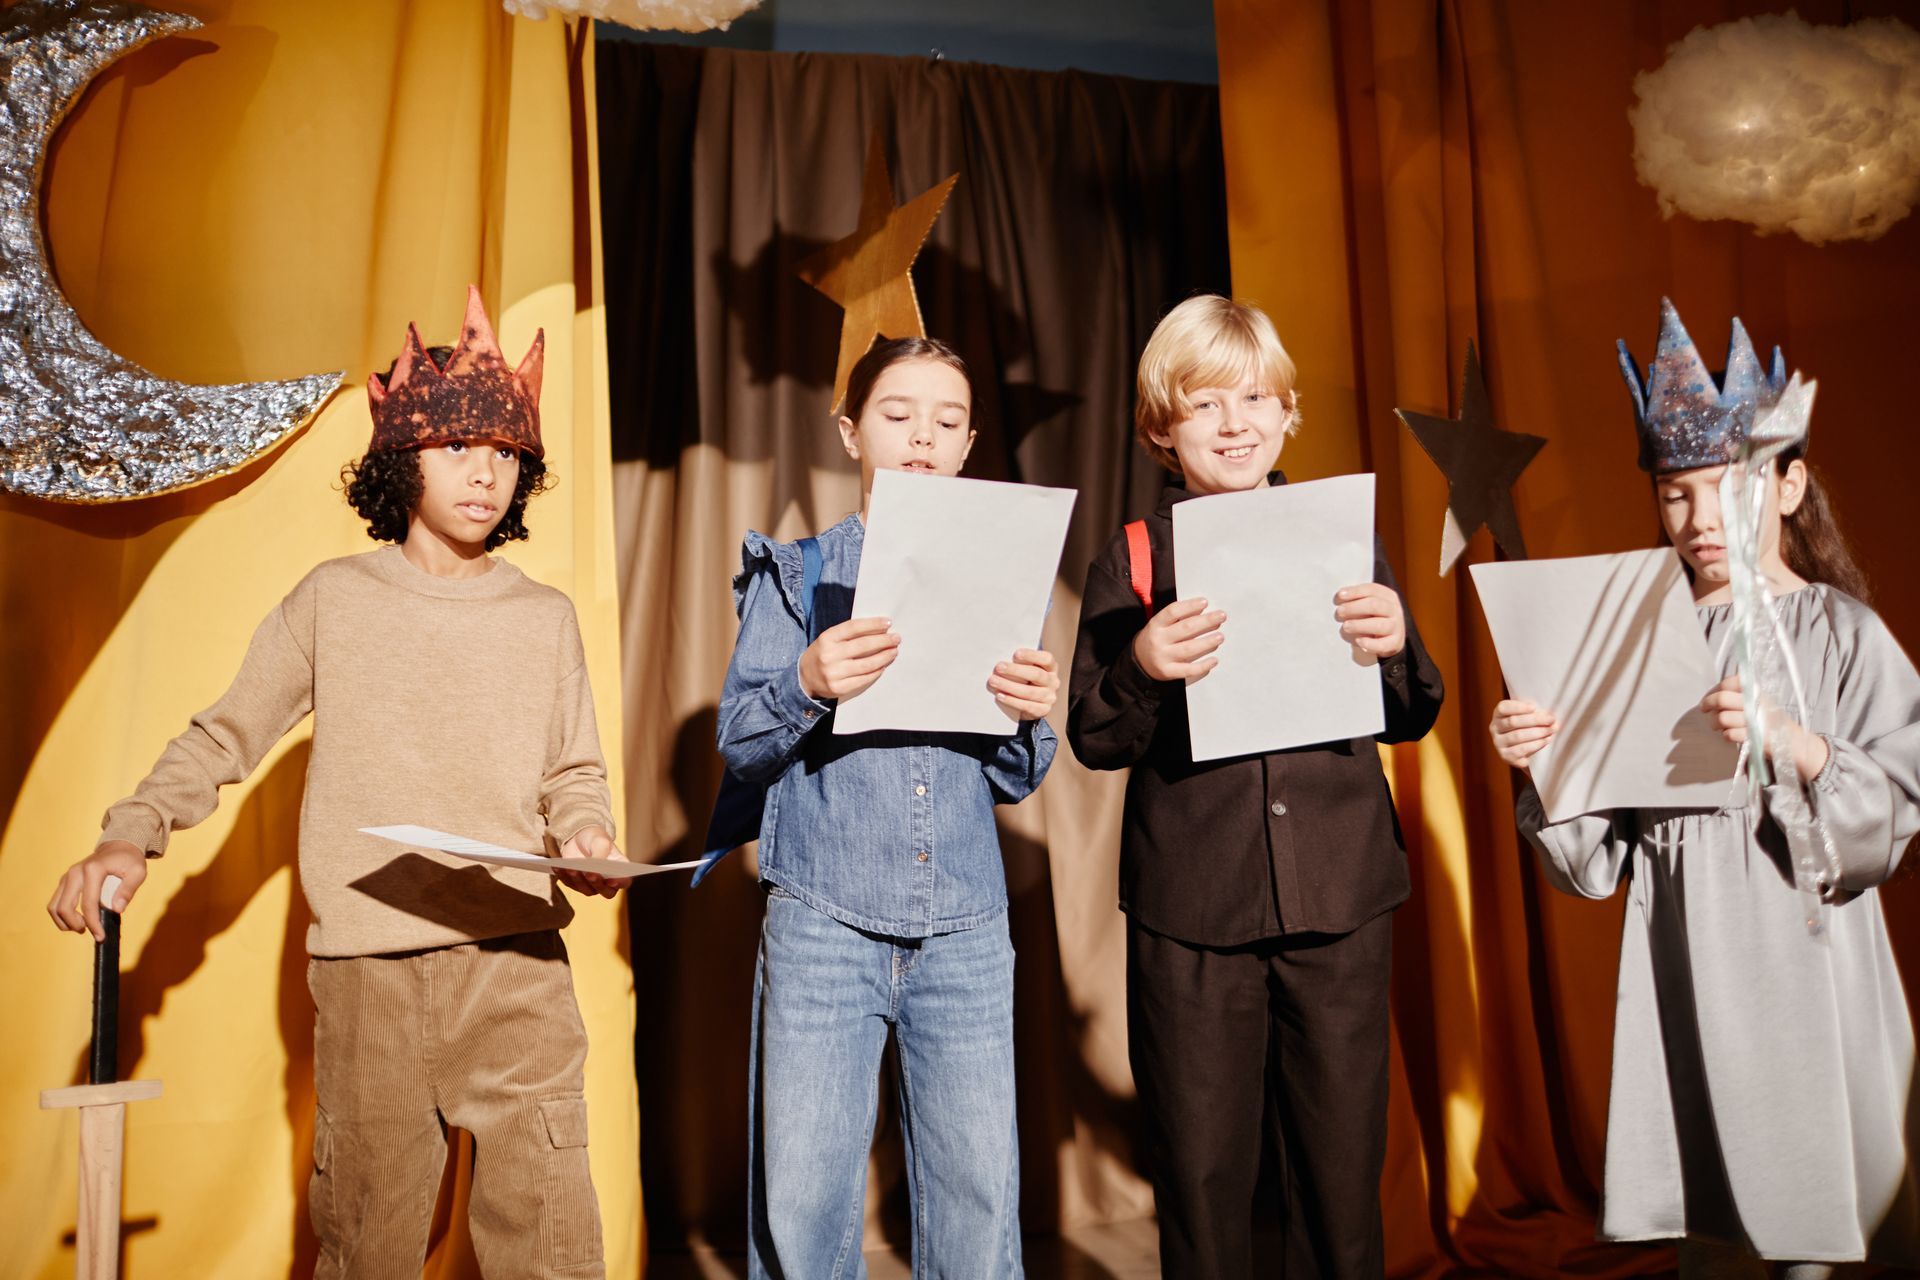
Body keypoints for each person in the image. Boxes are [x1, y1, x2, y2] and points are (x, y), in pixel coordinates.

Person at [46, 285, 625, 1279]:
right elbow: (226, 731)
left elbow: (572, 770)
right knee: (367, 1234)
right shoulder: (334, 601)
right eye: (457, 448)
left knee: (552, 1233)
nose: (485, 471)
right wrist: (126, 834)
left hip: (517, 963)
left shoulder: (544, 617)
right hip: (371, 976)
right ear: (403, 459)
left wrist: (583, 839)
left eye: (505, 452)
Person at [1490, 299, 1920, 1279]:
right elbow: (1593, 862)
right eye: (1675, 494)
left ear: (1787, 483)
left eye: (1725, 489)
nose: (1696, 520)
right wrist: (1548, 761)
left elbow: (1895, 805)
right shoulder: (1636, 636)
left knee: (1813, 1211)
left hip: (1805, 959)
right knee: (1717, 1220)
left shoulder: (1840, 630)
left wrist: (1799, 746)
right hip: (1690, 952)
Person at [1067, 295, 1443, 1279]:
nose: (1232, 423)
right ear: (1162, 428)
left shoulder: (1339, 537)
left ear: (1286, 414)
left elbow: (1412, 708)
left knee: (1340, 1176)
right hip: (1193, 906)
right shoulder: (1137, 558)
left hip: (1341, 894)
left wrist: (1397, 644)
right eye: (1203, 405)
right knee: (1200, 1177)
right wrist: (1142, 663)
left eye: (1251, 398)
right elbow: (1095, 736)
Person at [715, 335, 1060, 1279]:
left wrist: (1033, 715)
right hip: (825, 916)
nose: (922, 438)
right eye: (898, 416)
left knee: (979, 1198)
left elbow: (1016, 775)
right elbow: (742, 742)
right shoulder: (795, 574)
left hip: (966, 925)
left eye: (947, 423)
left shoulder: (997, 577)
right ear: (850, 432)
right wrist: (807, 678)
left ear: (968, 444)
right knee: (805, 1199)